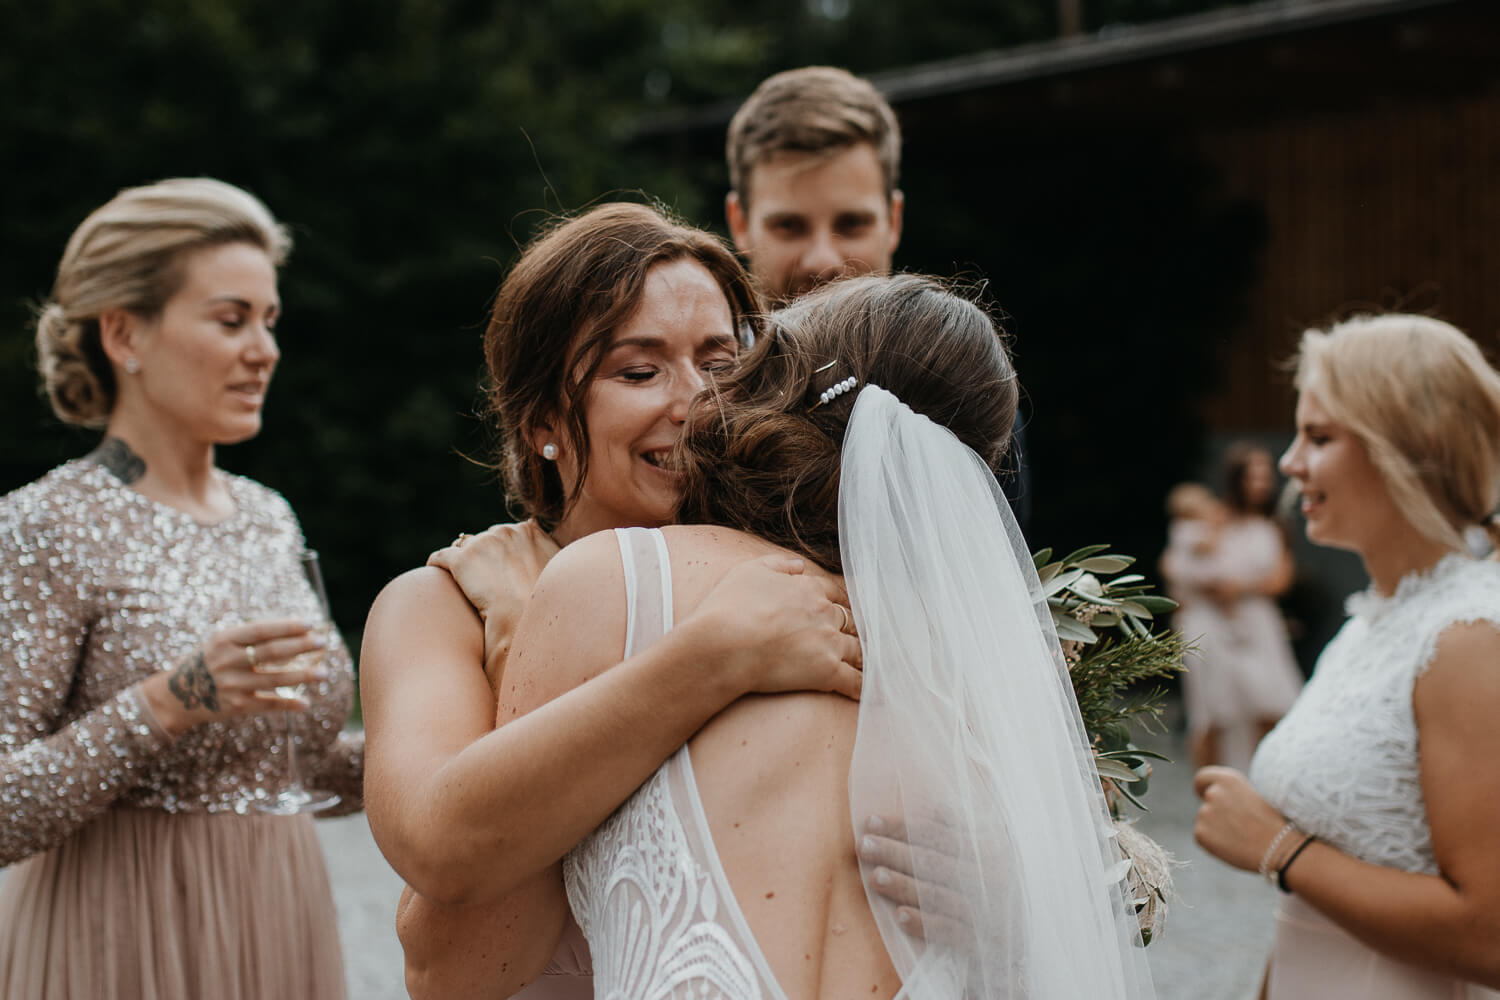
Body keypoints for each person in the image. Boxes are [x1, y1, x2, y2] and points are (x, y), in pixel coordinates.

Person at [464, 274, 1155, 998]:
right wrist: (1016, 906)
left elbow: (464, 934)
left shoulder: (616, 581)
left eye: (731, 364)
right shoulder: (991, 665)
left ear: (778, 390)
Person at [360, 202, 865, 999]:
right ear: (541, 423)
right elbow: (442, 905)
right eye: (639, 371)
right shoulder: (442, 606)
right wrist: (711, 659)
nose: (698, 402)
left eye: (722, 362)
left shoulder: (810, 580)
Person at [0, 177, 363, 999]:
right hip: (117, 933)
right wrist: (170, 701)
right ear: (125, 333)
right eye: (231, 320)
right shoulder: (46, 525)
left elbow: (292, 764)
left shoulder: (270, 518)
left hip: (279, 915)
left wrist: (449, 744)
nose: (264, 349)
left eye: (269, 322)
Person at [1194, 313, 1500, 998]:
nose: (1288, 462)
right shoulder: (1370, 620)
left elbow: (1491, 934)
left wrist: (1278, 849)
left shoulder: (1470, 639)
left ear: (1408, 447)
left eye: (1319, 436)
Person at [724, 65, 1030, 529]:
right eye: (789, 226)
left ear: (894, 219)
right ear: (739, 222)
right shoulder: (696, 390)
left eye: (851, 224)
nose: (822, 260)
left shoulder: (965, 400)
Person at [1161, 444, 1302, 770]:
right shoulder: (1215, 517)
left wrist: (1239, 589)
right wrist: (1206, 586)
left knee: (1271, 705)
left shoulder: (1277, 525)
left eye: (1265, 476)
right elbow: (1176, 563)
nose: (1261, 483)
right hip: (1215, 623)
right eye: (1253, 476)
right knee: (1213, 714)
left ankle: (1262, 780)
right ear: (1236, 479)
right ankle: (1208, 791)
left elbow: (1281, 579)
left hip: (1258, 622)